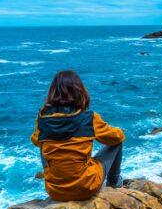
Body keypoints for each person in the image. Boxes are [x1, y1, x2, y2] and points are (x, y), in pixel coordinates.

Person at [31, 70, 125, 201]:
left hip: (55, 191)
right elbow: (117, 138)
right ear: (80, 92)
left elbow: (35, 141)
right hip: (86, 188)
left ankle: (57, 178)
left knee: (43, 142)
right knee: (117, 144)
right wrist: (118, 130)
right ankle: (114, 182)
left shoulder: (42, 120)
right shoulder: (88, 118)